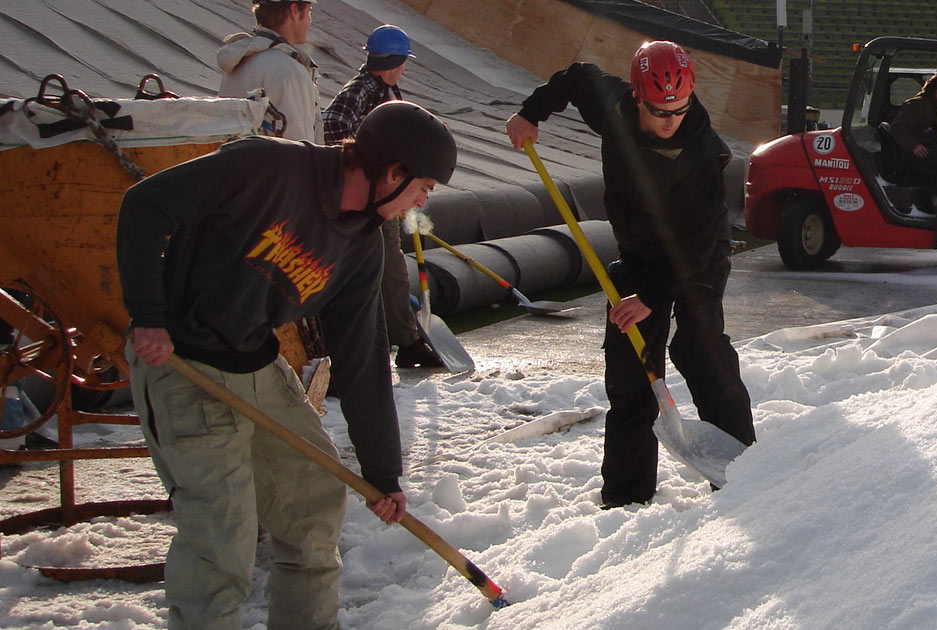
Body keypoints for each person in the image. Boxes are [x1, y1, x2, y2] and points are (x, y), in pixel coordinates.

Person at [117, 101, 455, 629]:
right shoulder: (266, 168)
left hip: (255, 365)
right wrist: (147, 317)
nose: (420, 202)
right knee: (220, 539)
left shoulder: (362, 245)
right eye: (422, 188)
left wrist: (383, 472)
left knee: (314, 503)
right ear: (393, 172)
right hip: (182, 362)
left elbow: (362, 356)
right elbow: (144, 206)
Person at [504, 41, 755, 508]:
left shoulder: (703, 154)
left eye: (678, 110)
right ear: (637, 97)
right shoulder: (615, 107)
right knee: (632, 372)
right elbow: (576, 76)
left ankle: (742, 473)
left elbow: (696, 247)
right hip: (639, 255)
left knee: (700, 349)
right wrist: (530, 113)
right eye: (660, 111)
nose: (670, 121)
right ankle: (625, 497)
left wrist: (654, 297)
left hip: (696, 255)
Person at [323, 24, 442, 368]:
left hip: (384, 194)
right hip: (372, 199)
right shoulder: (364, 89)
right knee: (388, 269)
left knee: (387, 270)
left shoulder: (385, 90)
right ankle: (406, 343)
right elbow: (333, 123)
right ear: (395, 62)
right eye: (403, 62)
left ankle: (402, 340)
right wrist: (369, 162)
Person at [219, 0, 322, 143]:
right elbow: (299, 149)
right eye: (309, 12)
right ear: (294, 11)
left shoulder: (239, 58)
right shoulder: (290, 72)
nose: (310, 21)